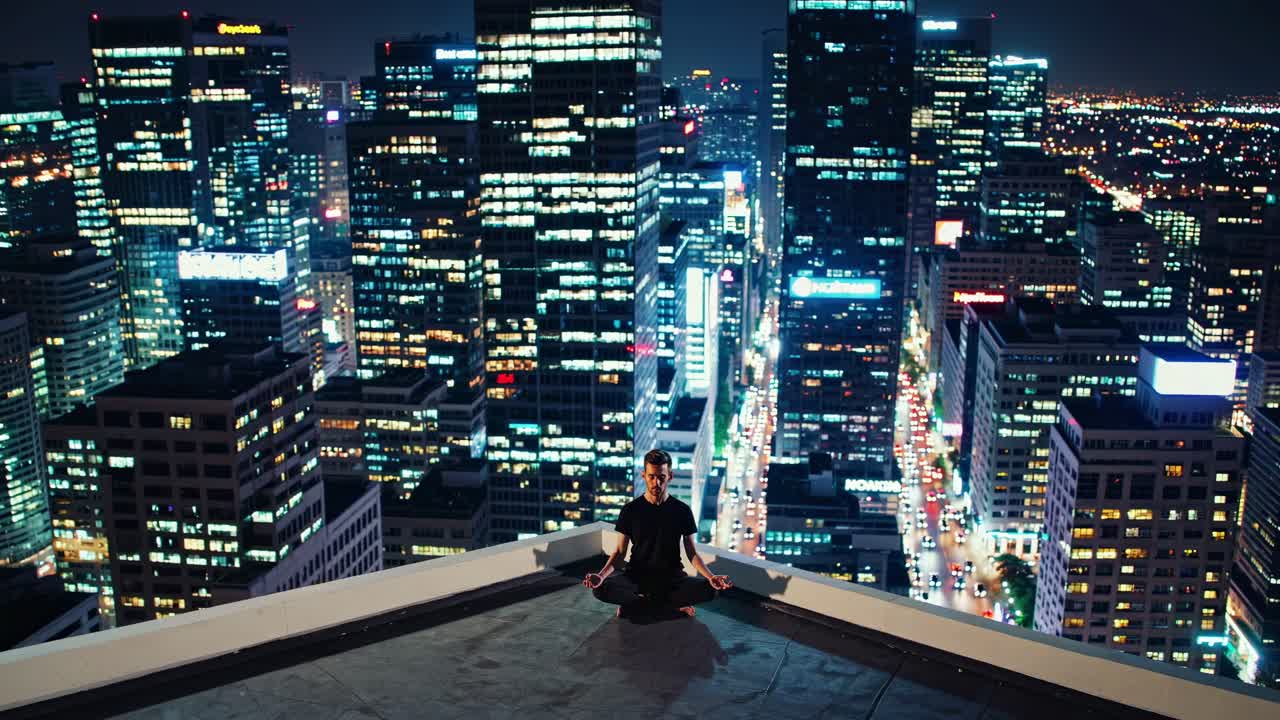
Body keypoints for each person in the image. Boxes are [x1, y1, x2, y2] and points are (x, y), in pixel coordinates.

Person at [583, 449, 733, 618]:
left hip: (672, 579)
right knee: (600, 589)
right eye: (651, 477)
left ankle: (640, 604)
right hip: (636, 578)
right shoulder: (630, 510)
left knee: (711, 590)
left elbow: (691, 553)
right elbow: (619, 553)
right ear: (644, 475)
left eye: (661, 477)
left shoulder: (682, 510)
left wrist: (711, 577)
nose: (656, 483)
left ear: (670, 476)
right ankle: (666, 604)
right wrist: (600, 576)